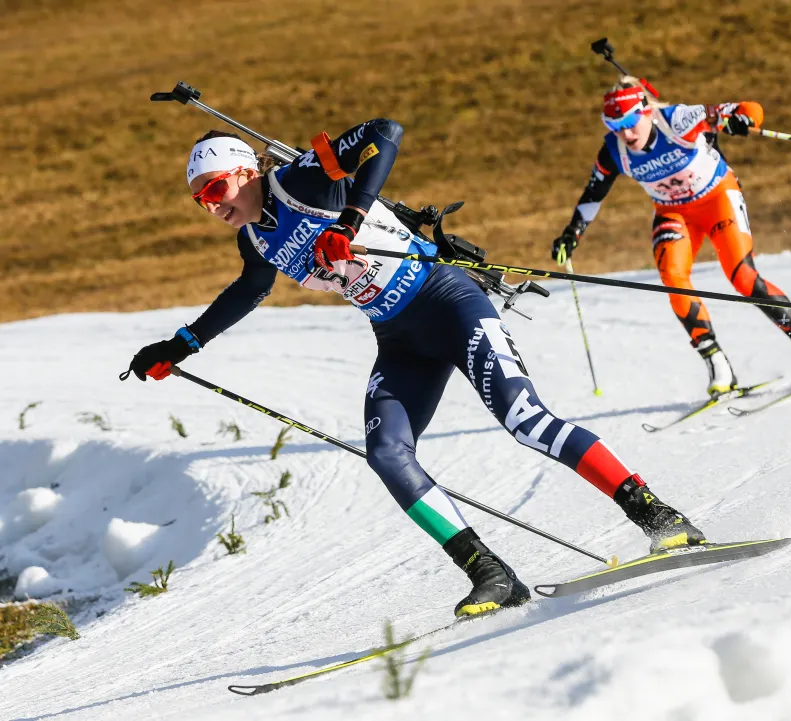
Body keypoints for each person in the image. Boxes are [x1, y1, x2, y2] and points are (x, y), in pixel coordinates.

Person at [126, 118, 708, 617]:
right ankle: (492, 575)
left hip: (446, 300)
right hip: (398, 337)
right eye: (201, 199)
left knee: (524, 419)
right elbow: (246, 292)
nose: (214, 205)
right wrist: (178, 346)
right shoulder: (255, 240)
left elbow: (384, 133)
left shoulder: (301, 179)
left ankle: (657, 514)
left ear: (247, 171)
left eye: (217, 187)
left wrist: (348, 222)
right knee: (386, 453)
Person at [552, 78, 791, 399]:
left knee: (742, 276)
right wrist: (571, 233)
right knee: (673, 279)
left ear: (645, 112)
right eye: (614, 125)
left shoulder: (677, 120)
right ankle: (718, 366)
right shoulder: (614, 151)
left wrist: (744, 119)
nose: (626, 133)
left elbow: (746, 108)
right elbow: (594, 192)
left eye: (631, 122)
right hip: (674, 212)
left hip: (717, 198)